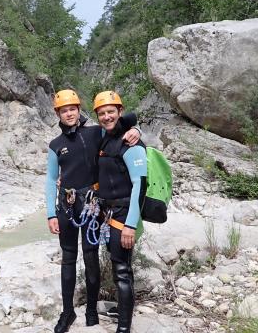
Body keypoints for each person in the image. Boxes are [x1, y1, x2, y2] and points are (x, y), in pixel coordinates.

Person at [46, 89, 141, 333]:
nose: (68, 113)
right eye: (63, 110)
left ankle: (90, 310)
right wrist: (50, 213)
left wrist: (136, 130)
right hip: (66, 204)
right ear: (58, 113)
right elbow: (50, 179)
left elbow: (123, 120)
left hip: (91, 203)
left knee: (90, 257)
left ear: (79, 110)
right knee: (68, 258)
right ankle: (67, 312)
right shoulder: (55, 145)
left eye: (72, 109)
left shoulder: (96, 132)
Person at [93, 91, 148, 333]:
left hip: (124, 214)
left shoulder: (131, 143)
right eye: (102, 113)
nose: (106, 117)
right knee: (120, 266)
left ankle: (124, 328)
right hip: (108, 212)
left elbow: (140, 184)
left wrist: (131, 224)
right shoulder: (106, 138)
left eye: (110, 112)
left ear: (119, 111)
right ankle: (124, 311)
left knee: (122, 271)